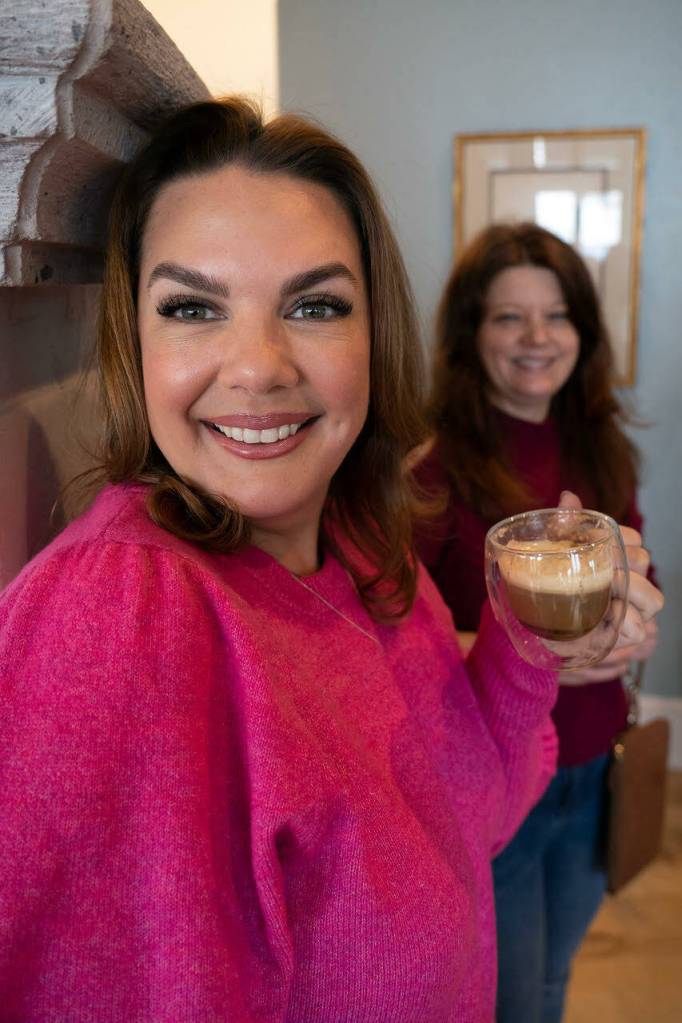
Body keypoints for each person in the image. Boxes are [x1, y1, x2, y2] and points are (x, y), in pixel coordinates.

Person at [0, 104, 660, 1023]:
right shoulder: (119, 618)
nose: (259, 368)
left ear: (374, 333)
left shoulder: (361, 545)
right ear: (132, 338)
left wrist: (527, 641)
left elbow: (471, 817)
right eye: (192, 307)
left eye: (314, 305)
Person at [414, 222, 661, 1023]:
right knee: (511, 998)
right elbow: (397, 644)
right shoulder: (429, 469)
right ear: (471, 334)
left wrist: (635, 621)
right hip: (496, 774)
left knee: (555, 977)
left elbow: (640, 571)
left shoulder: (600, 443)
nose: (537, 338)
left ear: (582, 331)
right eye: (508, 317)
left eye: (556, 315)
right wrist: (525, 651)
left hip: (592, 759)